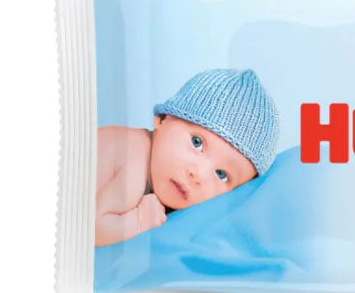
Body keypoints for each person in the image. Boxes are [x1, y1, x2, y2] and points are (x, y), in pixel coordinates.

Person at [95, 69, 278, 246]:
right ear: (162, 119)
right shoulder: (133, 157)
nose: (198, 174)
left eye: (221, 174)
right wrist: (139, 221)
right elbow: (93, 229)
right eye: (197, 142)